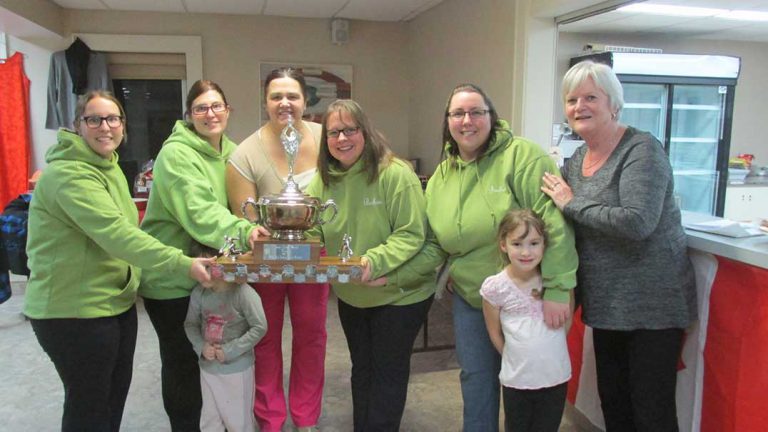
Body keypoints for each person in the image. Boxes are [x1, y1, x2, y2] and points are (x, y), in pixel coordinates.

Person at [24, 90, 212, 432]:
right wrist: (182, 262)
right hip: (73, 312)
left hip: (112, 304)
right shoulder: (70, 175)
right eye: (93, 119)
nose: (105, 127)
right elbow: (117, 235)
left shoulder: (106, 167)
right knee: (89, 408)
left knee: (110, 404)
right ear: (77, 125)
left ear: (123, 125)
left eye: (113, 118)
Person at [395, 83, 578, 431]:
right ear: (447, 121)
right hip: (472, 296)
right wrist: (394, 275)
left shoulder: (523, 156)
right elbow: (436, 243)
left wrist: (557, 289)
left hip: (531, 299)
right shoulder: (442, 175)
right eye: (458, 113)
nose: (468, 121)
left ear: (492, 117)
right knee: (476, 378)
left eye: (477, 112)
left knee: (528, 386)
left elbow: (554, 224)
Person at [541, 60, 696, 431]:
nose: (580, 107)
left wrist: (572, 202)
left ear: (614, 104)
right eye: (572, 99)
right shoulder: (578, 159)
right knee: (614, 404)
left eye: (591, 97)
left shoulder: (642, 150)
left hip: (652, 307)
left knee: (651, 411)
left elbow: (637, 221)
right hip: (607, 306)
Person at [139, 80, 266, 431]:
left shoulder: (233, 152)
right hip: (173, 281)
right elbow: (199, 214)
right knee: (183, 364)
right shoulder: (177, 154)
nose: (210, 113)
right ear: (189, 115)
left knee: (213, 358)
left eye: (216, 106)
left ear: (228, 110)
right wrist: (246, 231)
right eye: (201, 108)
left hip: (215, 278)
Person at [304, 99, 435, 431]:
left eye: (350, 129)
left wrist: (374, 261)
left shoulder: (395, 174)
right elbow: (314, 230)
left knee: (387, 373)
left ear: (366, 131)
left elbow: (411, 234)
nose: (342, 138)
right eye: (334, 132)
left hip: (399, 296)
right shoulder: (322, 181)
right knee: (361, 368)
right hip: (352, 294)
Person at [226, 67, 328, 432]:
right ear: (265, 101)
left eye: (293, 96)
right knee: (264, 337)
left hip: (313, 260)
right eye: (276, 96)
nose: (285, 103)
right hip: (266, 262)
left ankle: (305, 418)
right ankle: (270, 418)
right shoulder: (245, 152)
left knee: (312, 338)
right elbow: (246, 218)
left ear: (305, 101)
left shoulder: (327, 138)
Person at [480, 209, 571, 432]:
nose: (526, 252)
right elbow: (494, 333)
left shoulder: (557, 283)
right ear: (504, 245)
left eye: (534, 243)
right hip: (517, 381)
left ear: (544, 245)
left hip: (555, 378)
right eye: (517, 244)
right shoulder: (495, 288)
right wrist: (515, 356)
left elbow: (564, 323)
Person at [184, 244, 268, 432]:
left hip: (237, 371)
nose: (202, 273)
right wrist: (201, 347)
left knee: (239, 423)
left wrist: (230, 351)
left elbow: (260, 326)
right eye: (200, 266)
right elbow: (190, 324)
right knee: (209, 422)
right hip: (208, 369)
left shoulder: (243, 293)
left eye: (209, 266)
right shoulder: (199, 293)